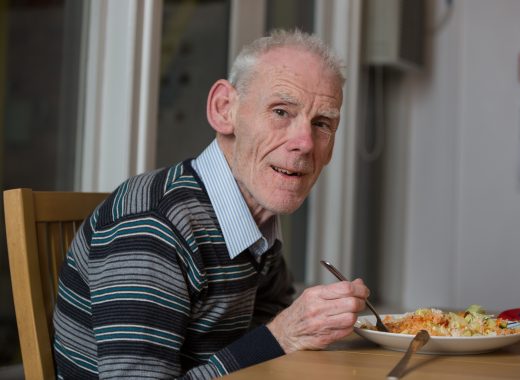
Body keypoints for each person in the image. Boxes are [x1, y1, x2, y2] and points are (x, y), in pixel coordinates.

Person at [53, 29, 370, 379]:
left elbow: (267, 341)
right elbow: (274, 339)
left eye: (323, 123)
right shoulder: (152, 226)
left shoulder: (254, 224)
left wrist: (303, 327)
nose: (305, 143)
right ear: (224, 110)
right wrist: (283, 334)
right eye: (281, 111)